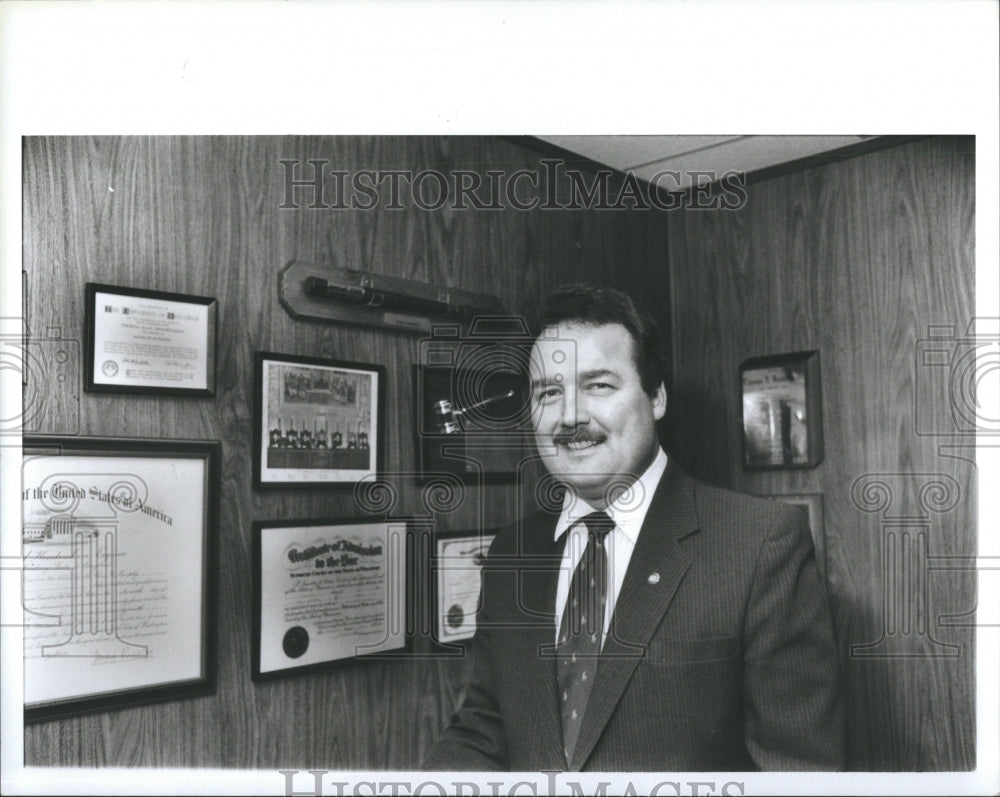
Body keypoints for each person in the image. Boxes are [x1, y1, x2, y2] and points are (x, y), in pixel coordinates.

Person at [422, 283, 845, 772]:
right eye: (549, 392)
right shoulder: (513, 550)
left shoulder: (759, 545)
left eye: (599, 385)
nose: (571, 416)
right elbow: (482, 726)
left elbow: (798, 774)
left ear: (656, 396)